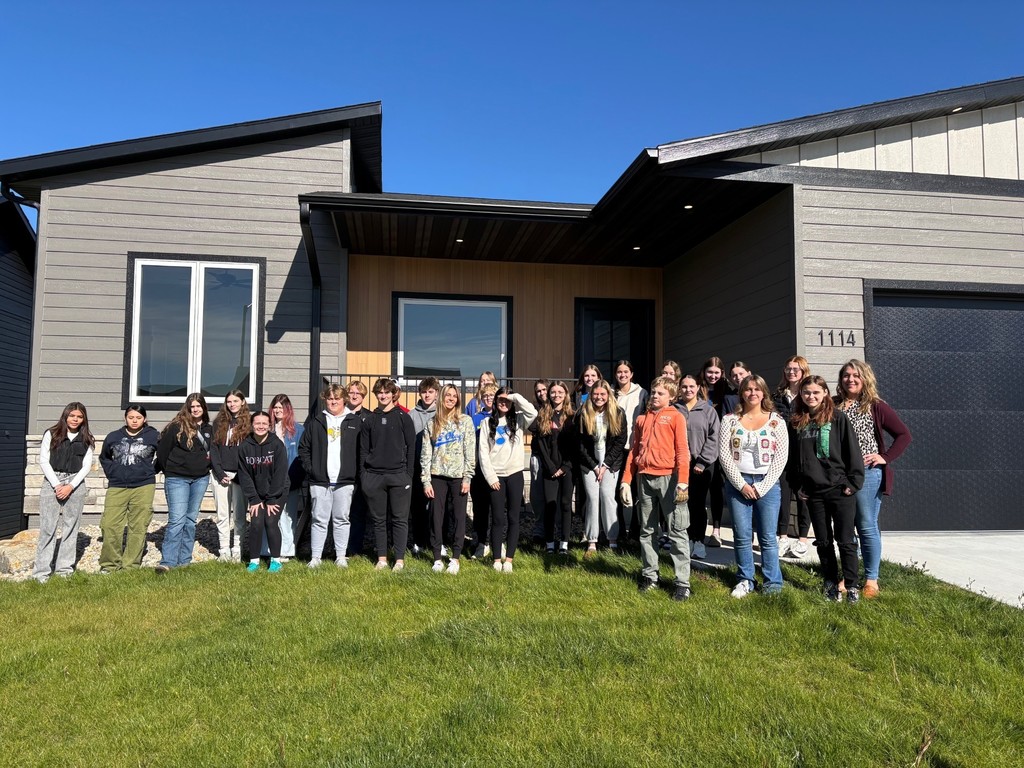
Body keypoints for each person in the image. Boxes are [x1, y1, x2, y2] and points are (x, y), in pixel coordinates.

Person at [835, 359, 912, 599]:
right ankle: (850, 576)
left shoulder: (876, 406)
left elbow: (903, 435)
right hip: (839, 474)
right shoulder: (835, 405)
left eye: (856, 375)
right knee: (847, 526)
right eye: (846, 375)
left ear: (865, 377)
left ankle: (871, 579)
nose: (851, 379)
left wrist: (885, 457)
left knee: (866, 525)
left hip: (868, 473)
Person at [789, 375, 865, 603]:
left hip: (840, 490)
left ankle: (851, 586)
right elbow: (793, 459)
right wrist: (797, 487)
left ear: (824, 393)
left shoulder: (838, 418)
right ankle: (830, 582)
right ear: (801, 395)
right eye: (806, 393)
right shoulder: (797, 422)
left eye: (815, 392)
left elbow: (853, 452)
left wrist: (852, 484)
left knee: (845, 540)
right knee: (823, 540)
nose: (810, 396)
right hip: (813, 492)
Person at [620, 377, 692, 601]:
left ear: (671, 396)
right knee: (647, 530)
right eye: (653, 392)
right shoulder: (641, 419)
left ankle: (682, 583)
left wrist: (683, 480)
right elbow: (634, 451)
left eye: (660, 393)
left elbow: (682, 450)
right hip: (645, 478)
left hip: (669, 479)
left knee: (677, 530)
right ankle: (650, 575)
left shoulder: (675, 417)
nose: (654, 396)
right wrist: (626, 480)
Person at [718, 375, 789, 597]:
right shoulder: (730, 420)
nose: (752, 393)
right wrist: (741, 485)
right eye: (748, 389)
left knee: (767, 536)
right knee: (742, 535)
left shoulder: (776, 420)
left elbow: (781, 457)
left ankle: (773, 583)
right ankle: (745, 579)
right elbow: (724, 455)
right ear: (742, 393)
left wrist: (762, 486)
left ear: (763, 393)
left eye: (757, 389)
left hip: (767, 484)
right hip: (738, 484)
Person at [299, 383, 363, 568]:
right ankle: (316, 558)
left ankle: (341, 557)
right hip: (320, 481)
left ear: (344, 400)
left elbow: (362, 450)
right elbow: (304, 448)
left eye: (336, 398)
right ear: (325, 400)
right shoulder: (316, 422)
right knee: (319, 519)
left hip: (345, 481)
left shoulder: (354, 422)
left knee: (341, 519)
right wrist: (312, 469)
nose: (333, 401)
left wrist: (356, 474)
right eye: (329, 398)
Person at [33, 402, 95, 583]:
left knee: (71, 528)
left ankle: (64, 571)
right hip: (52, 482)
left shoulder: (87, 439)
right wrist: (56, 485)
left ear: (83, 419)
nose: (75, 419)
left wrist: (70, 486)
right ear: (65, 416)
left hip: (75, 484)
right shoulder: (51, 434)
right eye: (72, 416)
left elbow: (86, 467)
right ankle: (41, 573)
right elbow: (44, 461)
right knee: (47, 528)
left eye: (79, 416)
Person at [478, 387, 538, 572]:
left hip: (515, 474)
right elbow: (483, 453)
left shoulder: (519, 420)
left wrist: (514, 396)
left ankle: (509, 560)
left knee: (513, 517)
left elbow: (533, 412)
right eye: (500, 400)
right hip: (496, 476)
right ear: (495, 402)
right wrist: (490, 477)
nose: (504, 403)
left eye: (507, 400)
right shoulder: (487, 422)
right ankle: (497, 559)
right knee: (497, 519)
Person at [361, 377, 416, 571]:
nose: (383, 395)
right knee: (379, 520)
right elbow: (363, 451)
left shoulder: (403, 417)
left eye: (387, 392)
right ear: (376, 395)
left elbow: (411, 448)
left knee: (400, 519)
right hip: (374, 477)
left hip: (399, 476)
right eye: (380, 392)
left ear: (394, 394)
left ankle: (399, 560)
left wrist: (408, 475)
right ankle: (382, 559)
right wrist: (365, 477)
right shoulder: (369, 420)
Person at [421, 384, 477, 574]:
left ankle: (455, 558)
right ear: (442, 398)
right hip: (437, 476)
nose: (451, 398)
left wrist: (467, 477)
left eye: (455, 396)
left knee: (459, 517)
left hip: (459, 477)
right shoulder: (432, 423)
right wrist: (426, 480)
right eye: (448, 395)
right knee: (436, 517)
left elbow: (470, 451)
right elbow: (426, 454)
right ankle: (437, 557)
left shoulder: (465, 421)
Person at [155, 394, 213, 573]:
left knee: (190, 520)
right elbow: (163, 452)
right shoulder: (176, 427)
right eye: (192, 406)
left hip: (200, 479)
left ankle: (184, 559)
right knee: (177, 520)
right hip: (177, 479)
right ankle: (168, 561)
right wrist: (171, 471)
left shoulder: (209, 429)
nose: (195, 409)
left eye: (198, 406)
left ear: (203, 407)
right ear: (187, 408)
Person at [98, 405, 159, 572]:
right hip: (117, 486)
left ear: (144, 419)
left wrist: (152, 470)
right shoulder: (113, 437)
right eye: (131, 417)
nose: (134, 420)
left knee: (138, 525)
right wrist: (112, 472)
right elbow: (104, 457)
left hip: (143, 486)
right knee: (110, 524)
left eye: (138, 418)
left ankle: (130, 565)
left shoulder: (153, 436)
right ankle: (110, 565)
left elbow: (164, 455)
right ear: (125, 418)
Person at [576, 379, 627, 554]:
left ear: (608, 395)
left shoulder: (618, 413)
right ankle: (592, 541)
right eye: (596, 394)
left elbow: (620, 442)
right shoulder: (583, 413)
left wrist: (604, 466)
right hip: (589, 463)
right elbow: (580, 444)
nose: (599, 397)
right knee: (592, 499)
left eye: (602, 394)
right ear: (591, 395)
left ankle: (612, 540)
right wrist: (595, 466)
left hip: (611, 463)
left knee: (607, 497)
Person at [237, 411, 289, 572]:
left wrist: (272, 499)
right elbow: (244, 475)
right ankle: (254, 561)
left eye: (264, 423)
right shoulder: (245, 446)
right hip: (257, 492)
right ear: (252, 425)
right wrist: (254, 499)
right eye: (257, 423)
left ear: (269, 426)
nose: (260, 426)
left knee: (271, 522)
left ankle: (276, 560)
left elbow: (281, 473)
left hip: (278, 490)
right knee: (256, 523)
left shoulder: (277, 445)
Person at [773, 356, 813, 559]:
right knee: (783, 497)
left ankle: (803, 540)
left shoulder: (809, 395)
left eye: (795, 369)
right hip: (782, 455)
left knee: (804, 497)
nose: (791, 372)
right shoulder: (778, 396)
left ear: (803, 371)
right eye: (788, 368)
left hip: (804, 455)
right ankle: (782, 537)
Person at [676, 375, 719, 560]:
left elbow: (714, 437)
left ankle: (699, 540)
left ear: (698, 387)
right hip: (680, 464)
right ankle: (686, 539)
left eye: (691, 386)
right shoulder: (674, 409)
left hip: (702, 464)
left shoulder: (708, 410)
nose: (688, 390)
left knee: (698, 504)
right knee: (682, 503)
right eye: (684, 387)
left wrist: (702, 461)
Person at [531, 380, 575, 555]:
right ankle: (550, 543)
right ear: (549, 395)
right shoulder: (543, 415)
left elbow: (575, 445)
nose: (556, 395)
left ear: (565, 395)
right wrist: (550, 467)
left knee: (565, 505)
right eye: (553, 392)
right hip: (549, 469)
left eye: (560, 392)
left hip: (567, 469)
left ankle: (564, 543)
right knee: (550, 505)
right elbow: (541, 444)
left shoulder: (572, 416)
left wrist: (565, 467)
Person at [210, 390, 251, 561]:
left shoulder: (249, 423)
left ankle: (237, 549)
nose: (232, 404)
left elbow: (249, 451)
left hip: (240, 475)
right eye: (229, 401)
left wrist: (240, 474)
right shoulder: (219, 422)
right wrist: (219, 473)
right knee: (222, 515)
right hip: (220, 474)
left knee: (240, 515)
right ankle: (224, 549)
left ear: (242, 402)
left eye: (235, 401)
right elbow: (214, 450)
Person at [266, 394, 305, 561]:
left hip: (291, 481)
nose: (277, 410)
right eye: (275, 408)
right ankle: (270, 550)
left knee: (288, 516)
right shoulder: (267, 430)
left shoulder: (298, 430)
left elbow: (301, 457)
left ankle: (287, 551)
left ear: (288, 409)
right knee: (272, 516)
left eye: (281, 407)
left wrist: (297, 478)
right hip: (270, 482)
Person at [614, 360, 648, 540]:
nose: (622, 375)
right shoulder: (612, 394)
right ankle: (618, 532)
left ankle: (635, 532)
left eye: (626, 371)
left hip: (635, 448)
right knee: (616, 491)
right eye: (619, 372)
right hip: (617, 449)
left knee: (636, 491)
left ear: (631, 374)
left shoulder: (642, 393)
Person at [698, 356, 729, 547]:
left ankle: (716, 530)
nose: (713, 376)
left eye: (717, 373)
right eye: (710, 372)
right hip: (699, 445)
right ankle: (698, 527)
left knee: (716, 487)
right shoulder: (696, 388)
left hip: (720, 445)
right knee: (698, 489)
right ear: (704, 372)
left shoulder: (726, 392)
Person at [408, 377, 440, 556]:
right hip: (418, 468)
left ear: (436, 393)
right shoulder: (412, 415)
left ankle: (438, 542)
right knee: (418, 508)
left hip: (438, 469)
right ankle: (418, 543)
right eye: (424, 392)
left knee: (438, 509)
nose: (427, 395)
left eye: (430, 392)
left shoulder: (442, 413)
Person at [469, 382, 497, 558]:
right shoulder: (476, 418)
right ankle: (481, 542)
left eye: (491, 396)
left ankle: (497, 542)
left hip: (497, 469)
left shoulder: (501, 417)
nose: (488, 399)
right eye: (485, 396)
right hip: (479, 469)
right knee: (480, 509)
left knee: (497, 508)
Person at [343, 380, 370, 557]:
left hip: (361, 472)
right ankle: (339, 547)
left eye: (358, 393)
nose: (354, 396)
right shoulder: (339, 415)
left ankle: (354, 549)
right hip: (342, 470)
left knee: (358, 512)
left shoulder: (368, 417)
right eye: (351, 392)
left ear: (363, 396)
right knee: (341, 513)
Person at [528, 379, 550, 542]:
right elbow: (533, 426)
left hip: (555, 457)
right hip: (537, 454)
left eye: (544, 390)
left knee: (551, 493)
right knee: (537, 493)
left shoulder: (558, 405)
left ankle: (553, 529)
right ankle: (539, 527)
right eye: (538, 391)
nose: (541, 393)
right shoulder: (534, 408)